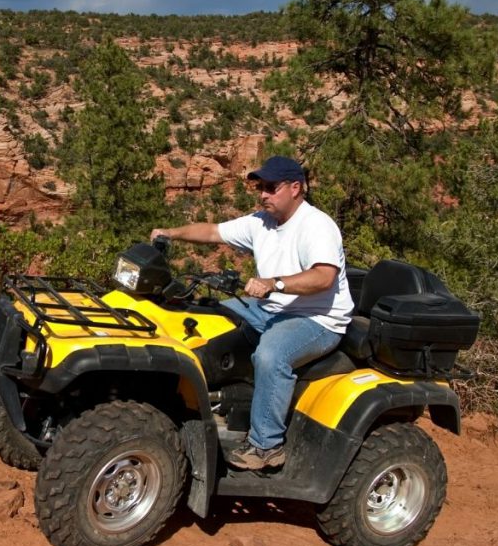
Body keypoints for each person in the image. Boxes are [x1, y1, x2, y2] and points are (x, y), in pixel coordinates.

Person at [150, 156, 354, 470]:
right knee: (209, 317)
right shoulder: (262, 221)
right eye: (261, 187)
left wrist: (276, 284)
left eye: (271, 188)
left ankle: (267, 446)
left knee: (271, 356)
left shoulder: (316, 226)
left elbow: (324, 276)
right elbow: (213, 232)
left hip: (316, 319)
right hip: (270, 309)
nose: (263, 194)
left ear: (296, 188)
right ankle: (209, 403)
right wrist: (170, 233)